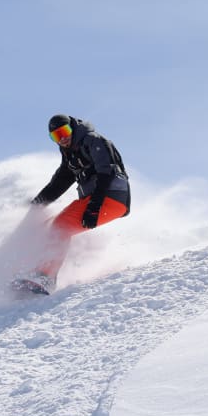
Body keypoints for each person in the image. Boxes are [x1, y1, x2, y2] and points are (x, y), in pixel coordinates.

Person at [21, 114, 131, 293]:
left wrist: (94, 208)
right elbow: (57, 184)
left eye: (64, 132)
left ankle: (45, 277)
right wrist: (36, 205)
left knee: (60, 226)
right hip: (94, 199)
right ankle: (30, 272)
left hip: (111, 196)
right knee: (47, 225)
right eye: (56, 136)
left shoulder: (93, 141)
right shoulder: (71, 156)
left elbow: (106, 174)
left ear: (72, 128)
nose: (62, 138)